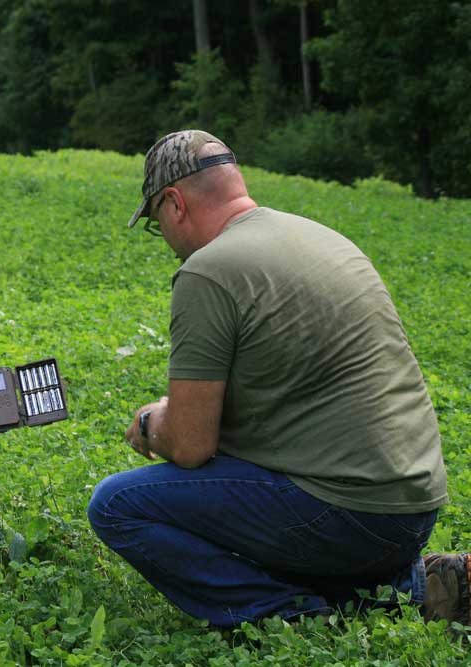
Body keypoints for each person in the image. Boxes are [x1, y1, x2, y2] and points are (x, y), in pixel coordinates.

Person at [87, 129, 466, 629]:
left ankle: (291, 618)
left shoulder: (209, 270)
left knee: (116, 504)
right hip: (413, 506)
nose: (167, 241)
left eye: (157, 223)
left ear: (174, 203)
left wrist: (151, 421)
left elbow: (192, 445)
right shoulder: (318, 236)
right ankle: (413, 589)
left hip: (349, 515)